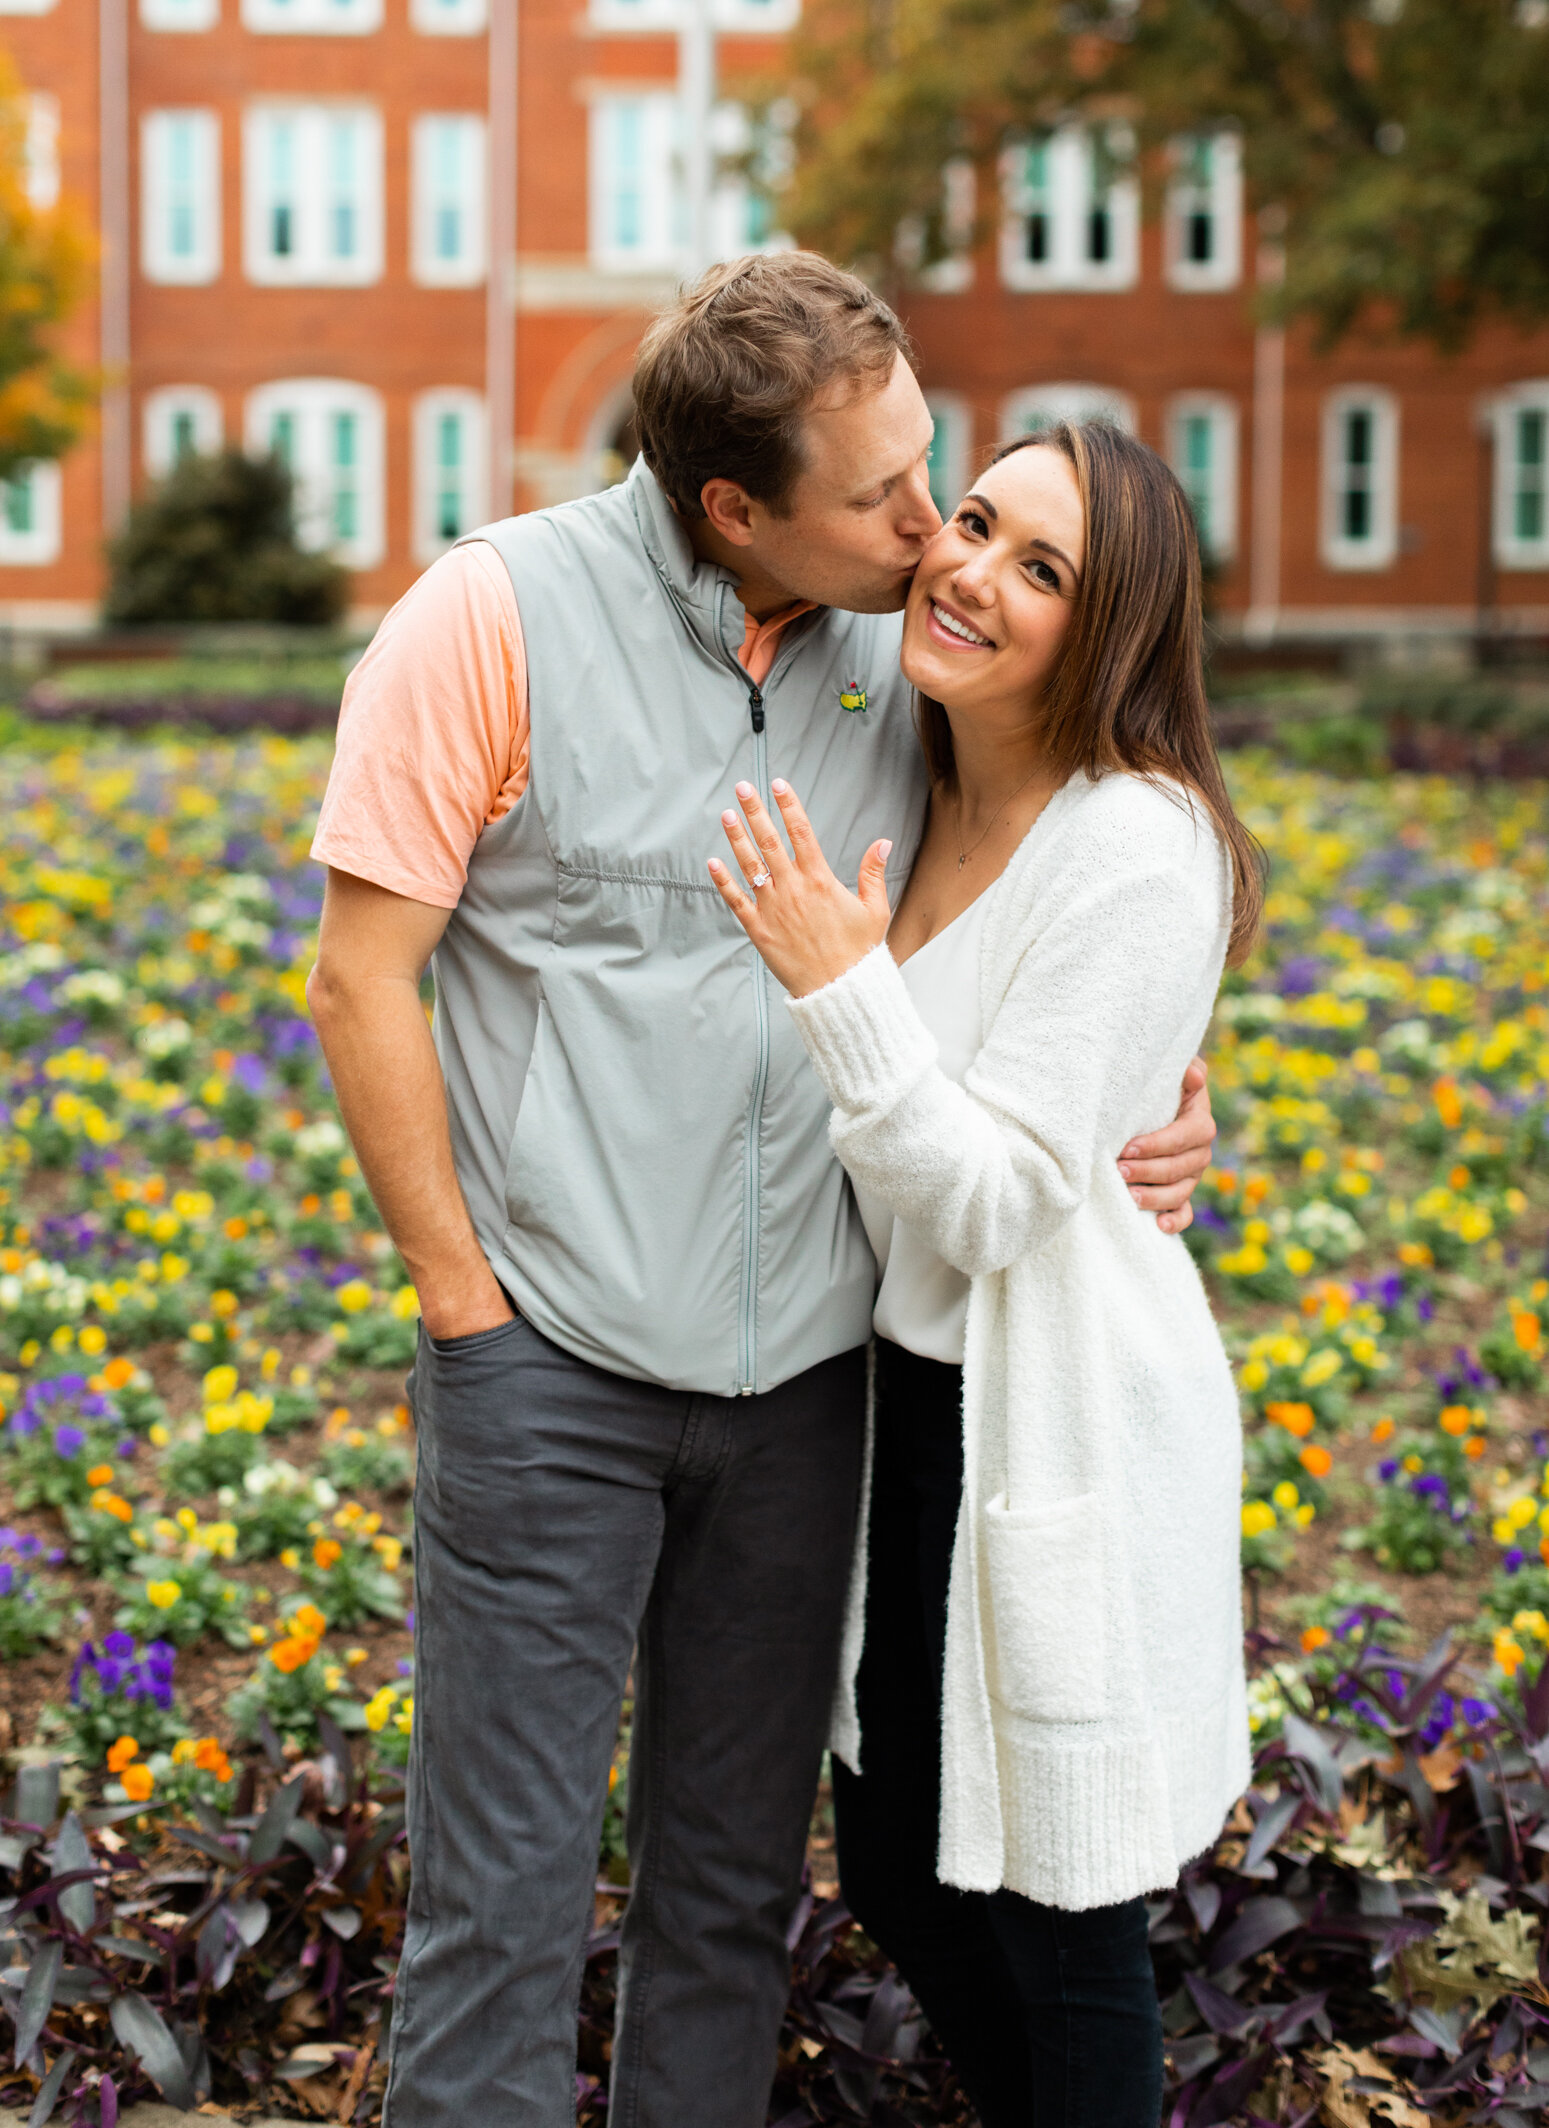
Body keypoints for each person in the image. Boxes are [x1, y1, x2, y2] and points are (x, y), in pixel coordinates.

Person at [305, 255, 1219, 2128]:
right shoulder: (485, 619)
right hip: (547, 1366)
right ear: (737, 509)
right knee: (500, 1911)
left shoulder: (910, 645)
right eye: (893, 499)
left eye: (940, 473)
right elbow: (356, 978)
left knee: (729, 1904)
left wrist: (1162, 1098)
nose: (931, 535)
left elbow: (1083, 876)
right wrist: (464, 1312)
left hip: (812, 1391)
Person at [707, 420, 1258, 2128]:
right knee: (900, 1863)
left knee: (1059, 1903)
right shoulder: (905, 767)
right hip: (902, 1399)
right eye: (971, 520)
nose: (970, 572)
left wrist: (835, 984)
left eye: (1044, 571)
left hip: (1053, 1408)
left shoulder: (1134, 845)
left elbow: (994, 1203)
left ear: (1112, 632)